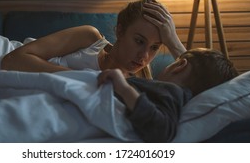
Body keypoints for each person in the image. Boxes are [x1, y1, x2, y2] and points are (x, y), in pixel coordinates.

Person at [1, 0, 186, 78]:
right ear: (120, 31)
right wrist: (87, 78)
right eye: (139, 41)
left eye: (155, 47)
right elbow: (12, 60)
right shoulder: (90, 38)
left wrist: (174, 42)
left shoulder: (135, 86)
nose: (144, 56)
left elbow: (207, 92)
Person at [97, 48, 238, 142]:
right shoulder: (170, 94)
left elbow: (161, 130)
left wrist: (123, 88)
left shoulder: (173, 91)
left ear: (180, 65)